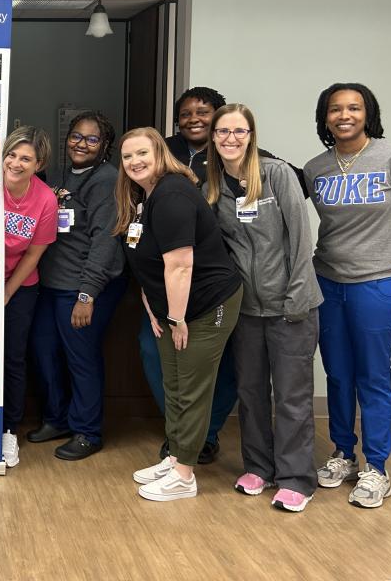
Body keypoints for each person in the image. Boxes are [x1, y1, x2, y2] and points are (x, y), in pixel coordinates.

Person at [304, 83, 391, 509]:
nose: (344, 115)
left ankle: (376, 467)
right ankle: (342, 453)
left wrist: (383, 258)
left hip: (376, 285)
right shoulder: (316, 167)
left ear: (367, 113)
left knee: (372, 376)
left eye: (353, 108)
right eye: (335, 109)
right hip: (327, 282)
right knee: (337, 374)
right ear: (324, 117)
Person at [115, 127, 242, 502]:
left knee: (191, 388)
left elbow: (181, 266)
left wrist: (177, 317)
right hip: (171, 307)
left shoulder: (171, 194)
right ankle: (174, 457)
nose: (135, 162)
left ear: (160, 154)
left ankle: (185, 475)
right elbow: (149, 263)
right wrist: (154, 306)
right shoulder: (146, 196)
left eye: (142, 154)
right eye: (127, 157)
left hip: (204, 305)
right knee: (173, 382)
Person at [206, 104, 323, 512]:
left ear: (251, 135)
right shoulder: (214, 187)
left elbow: (300, 240)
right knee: (251, 393)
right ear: (213, 137)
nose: (230, 138)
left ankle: (296, 478)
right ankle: (259, 468)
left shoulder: (277, 175)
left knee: (292, 397)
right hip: (247, 311)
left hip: (292, 306)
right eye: (222, 131)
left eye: (239, 131)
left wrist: (296, 297)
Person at [31, 111, 127, 461]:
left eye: (91, 139)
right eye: (76, 136)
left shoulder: (107, 180)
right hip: (52, 283)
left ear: (105, 147)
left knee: (81, 358)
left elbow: (105, 241)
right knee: (43, 350)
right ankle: (57, 419)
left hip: (86, 286)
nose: (81, 144)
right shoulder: (55, 174)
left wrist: (87, 295)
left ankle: (87, 431)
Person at [1, 127, 58, 467]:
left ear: (39, 164)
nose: (16, 163)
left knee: (13, 358)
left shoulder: (46, 199)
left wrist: (6, 293)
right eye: (12, 155)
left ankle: (8, 430)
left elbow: (34, 255)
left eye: (26, 158)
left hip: (20, 286)